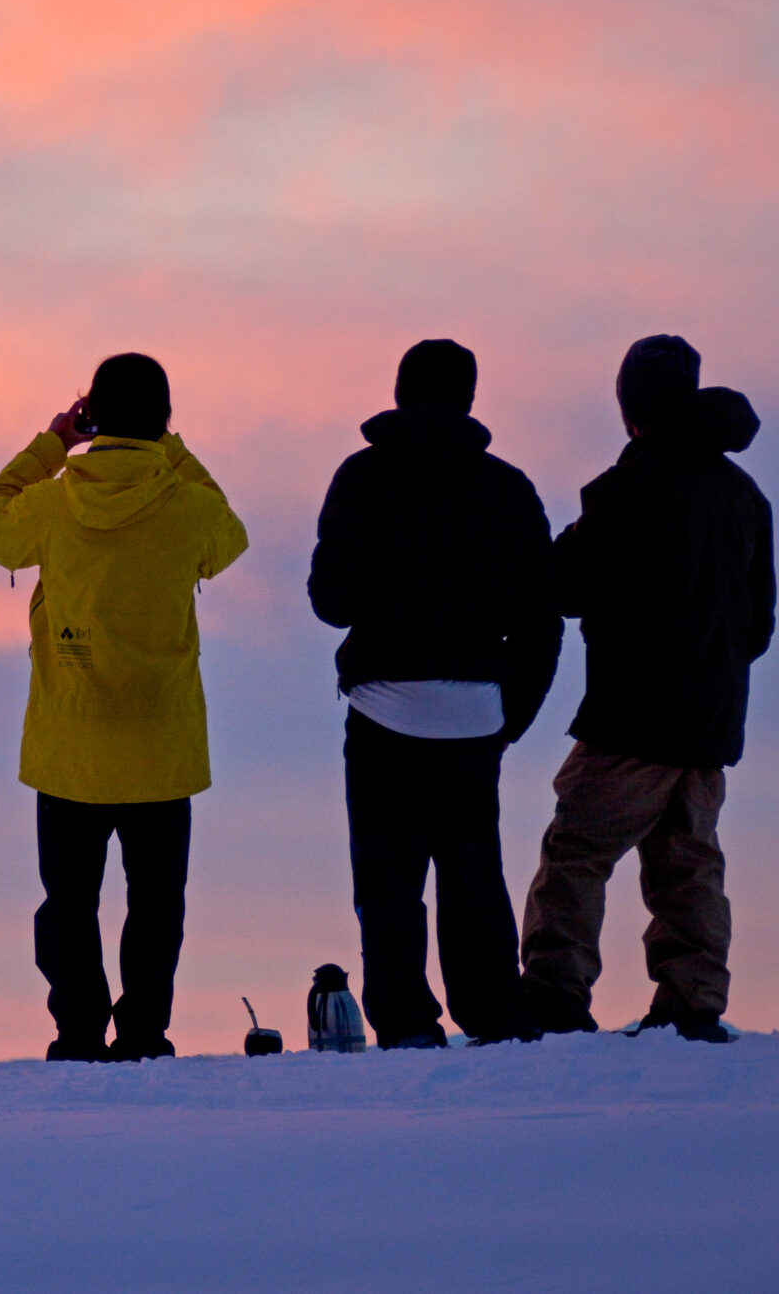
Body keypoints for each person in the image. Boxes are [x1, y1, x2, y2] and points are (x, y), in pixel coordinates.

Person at [0, 352, 249, 1061]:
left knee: (68, 905)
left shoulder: (54, 502)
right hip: (162, 749)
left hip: (71, 749)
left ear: (93, 415)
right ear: (163, 420)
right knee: (156, 907)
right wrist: (168, 447)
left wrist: (54, 442)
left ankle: (79, 1034)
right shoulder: (185, 505)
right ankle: (145, 1034)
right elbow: (230, 532)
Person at [306, 339, 562, 1049]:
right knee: (474, 868)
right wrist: (511, 714)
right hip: (477, 711)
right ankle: (494, 1013)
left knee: (389, 877)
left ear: (399, 391)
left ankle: (410, 1021)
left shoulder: (361, 477)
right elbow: (544, 618)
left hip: (384, 706)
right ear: (470, 398)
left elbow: (330, 599)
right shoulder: (508, 488)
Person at [519, 335, 775, 1044]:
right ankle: (693, 1000)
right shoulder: (744, 497)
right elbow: (759, 625)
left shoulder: (628, 489)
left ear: (631, 407)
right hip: (710, 724)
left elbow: (561, 583)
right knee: (688, 863)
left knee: (575, 851)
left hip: (630, 717)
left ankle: (554, 993)